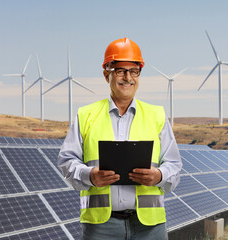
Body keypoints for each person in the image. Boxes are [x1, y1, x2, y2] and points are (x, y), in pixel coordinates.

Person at [58, 37, 182, 240]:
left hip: (150, 227)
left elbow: (175, 166)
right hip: (101, 227)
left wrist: (158, 176)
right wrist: (90, 176)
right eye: (120, 71)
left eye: (134, 71)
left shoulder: (157, 115)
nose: (128, 77)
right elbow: (66, 162)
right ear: (107, 74)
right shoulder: (85, 115)